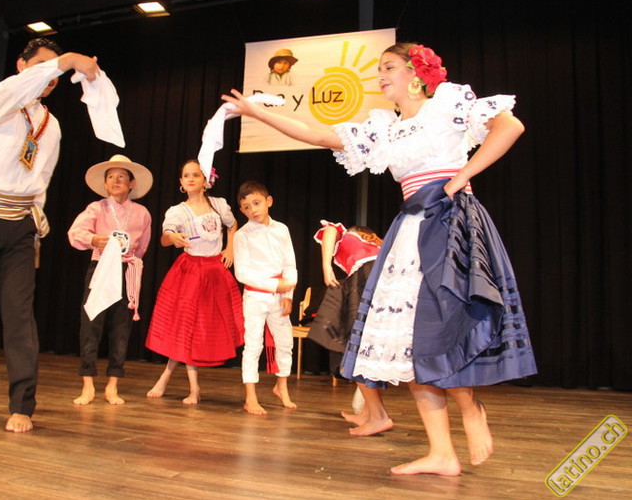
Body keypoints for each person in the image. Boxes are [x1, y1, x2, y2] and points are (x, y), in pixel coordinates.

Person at [222, 42, 537, 474]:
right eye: (378, 69)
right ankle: (442, 453)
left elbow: (510, 126)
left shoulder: (446, 104)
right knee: (408, 340)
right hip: (410, 229)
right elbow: (318, 134)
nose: (381, 75)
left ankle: (471, 409)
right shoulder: (384, 128)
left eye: (389, 67)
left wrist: (461, 177)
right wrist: (258, 114)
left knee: (445, 327)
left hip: (448, 224)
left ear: (416, 72)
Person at [0, 38, 101, 433]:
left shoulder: (52, 125)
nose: (50, 76)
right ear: (21, 65)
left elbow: (41, 179)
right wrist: (68, 60)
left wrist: (35, 227)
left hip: (20, 225)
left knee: (20, 316)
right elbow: (28, 84)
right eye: (42, 66)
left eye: (55, 71)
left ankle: (22, 405)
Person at [145, 160, 244, 404]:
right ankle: (191, 386)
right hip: (190, 272)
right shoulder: (178, 211)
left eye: (196, 175)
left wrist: (230, 248)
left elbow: (232, 225)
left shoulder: (219, 205)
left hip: (214, 272)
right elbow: (165, 237)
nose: (190, 179)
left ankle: (170, 378)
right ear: (181, 182)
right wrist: (173, 238)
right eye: (186, 175)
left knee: (198, 330)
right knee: (185, 326)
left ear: (205, 180)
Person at [68, 155, 153, 406]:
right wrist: (93, 239)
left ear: (131, 183)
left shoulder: (142, 213)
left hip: (126, 270)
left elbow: (142, 246)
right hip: (101, 267)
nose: (116, 181)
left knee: (121, 328)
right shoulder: (97, 208)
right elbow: (75, 233)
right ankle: (87, 384)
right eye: (111, 177)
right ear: (105, 184)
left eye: (122, 177)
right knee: (91, 324)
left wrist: (130, 263)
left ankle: (113, 385)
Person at [308, 222, 391, 435]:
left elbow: (330, 230)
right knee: (367, 349)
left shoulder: (350, 238)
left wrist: (326, 266)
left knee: (356, 347)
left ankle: (378, 416)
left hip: (366, 279)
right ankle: (368, 413)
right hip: (382, 284)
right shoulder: (380, 250)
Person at [234, 181, 298, 415]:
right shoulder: (242, 235)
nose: (253, 210)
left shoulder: (281, 229)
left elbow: (289, 263)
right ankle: (250, 397)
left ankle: (281, 386)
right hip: (256, 296)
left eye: (257, 203)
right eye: (247, 207)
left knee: (285, 342)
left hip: (279, 295)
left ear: (268, 201)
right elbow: (242, 273)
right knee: (253, 344)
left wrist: (287, 293)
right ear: (242, 210)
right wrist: (274, 285)